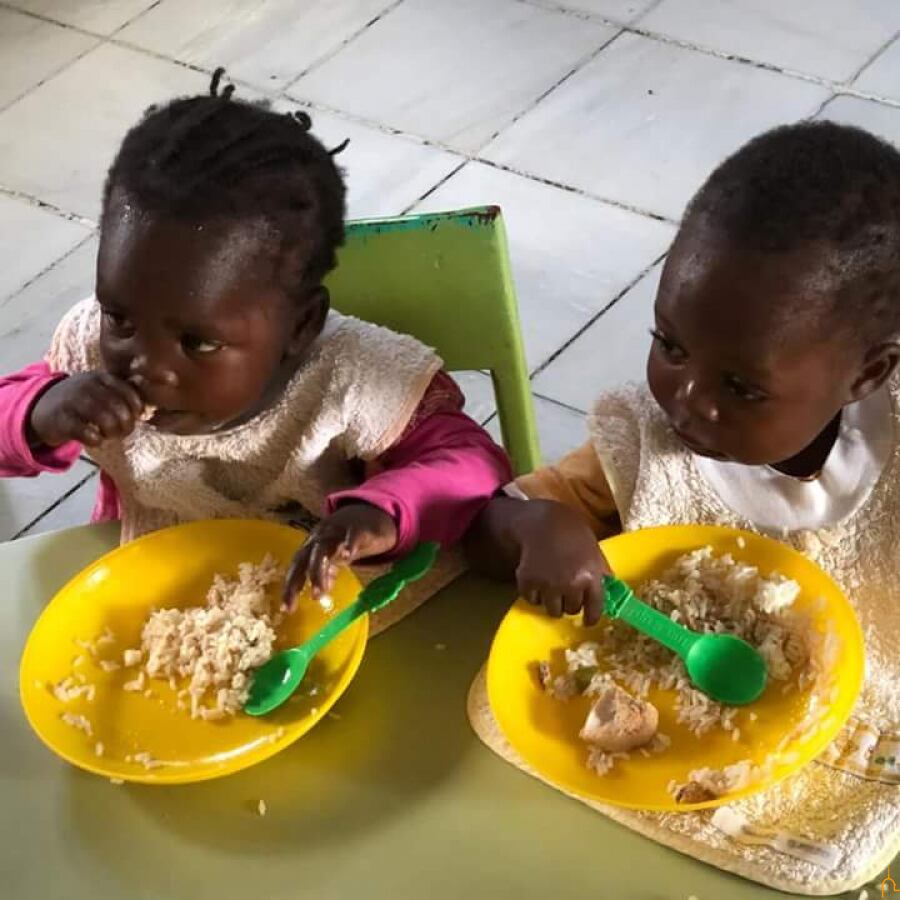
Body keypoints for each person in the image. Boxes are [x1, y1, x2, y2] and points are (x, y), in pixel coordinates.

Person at [467, 120, 900, 892]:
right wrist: (535, 522)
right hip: (647, 801)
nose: (688, 402)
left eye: (743, 386)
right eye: (669, 344)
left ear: (868, 373)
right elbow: (496, 526)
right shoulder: (639, 441)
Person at [0, 69, 511, 607]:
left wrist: (382, 511)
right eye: (121, 321)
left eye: (197, 343)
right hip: (154, 585)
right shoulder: (87, 354)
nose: (145, 365)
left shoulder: (348, 378)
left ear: (299, 327)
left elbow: (471, 462)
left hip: (324, 597)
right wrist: (41, 412)